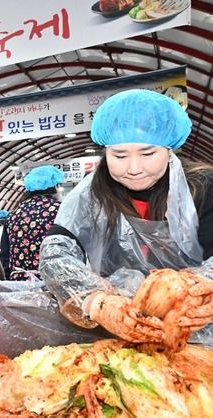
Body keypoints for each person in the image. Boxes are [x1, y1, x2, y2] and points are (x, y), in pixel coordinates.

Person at [39, 89, 213, 343]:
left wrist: (201, 291)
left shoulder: (203, 187)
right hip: (119, 328)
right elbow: (55, 254)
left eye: (148, 154)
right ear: (105, 152)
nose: (133, 169)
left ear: (169, 148)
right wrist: (96, 302)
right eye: (119, 155)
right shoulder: (91, 194)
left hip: (196, 333)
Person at [7, 166, 64, 279]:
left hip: (19, 282)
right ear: (56, 186)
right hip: (53, 281)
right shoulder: (60, 210)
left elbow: (5, 251)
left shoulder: (15, 213)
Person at [0, 210, 11, 279]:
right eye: (0, 222)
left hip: (16, 273)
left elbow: (4, 251)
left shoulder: (10, 223)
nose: (1, 223)